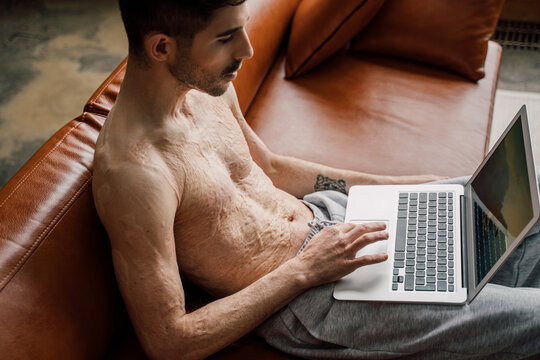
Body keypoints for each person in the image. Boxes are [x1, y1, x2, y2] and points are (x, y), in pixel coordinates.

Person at [92, 1, 540, 359]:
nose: (246, 51)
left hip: (338, 220)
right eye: (227, 38)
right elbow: (169, 341)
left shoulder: (205, 89)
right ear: (161, 48)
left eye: (243, 29)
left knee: (511, 214)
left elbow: (269, 168)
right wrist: (306, 269)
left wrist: (400, 186)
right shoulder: (134, 174)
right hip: (311, 300)